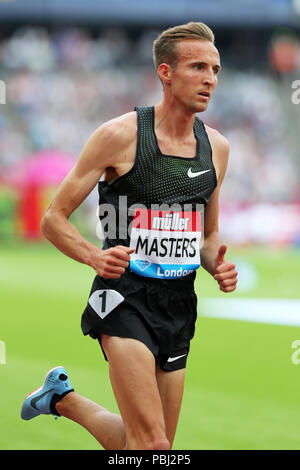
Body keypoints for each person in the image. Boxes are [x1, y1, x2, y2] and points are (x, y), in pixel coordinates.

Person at [21, 22, 238, 450]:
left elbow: (207, 235)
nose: (210, 78)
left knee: (147, 448)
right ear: (166, 72)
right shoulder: (119, 136)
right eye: (198, 67)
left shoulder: (217, 148)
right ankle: (61, 399)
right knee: (153, 447)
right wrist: (93, 257)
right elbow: (53, 219)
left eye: (215, 69)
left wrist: (217, 265)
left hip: (178, 303)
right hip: (122, 296)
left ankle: (61, 399)